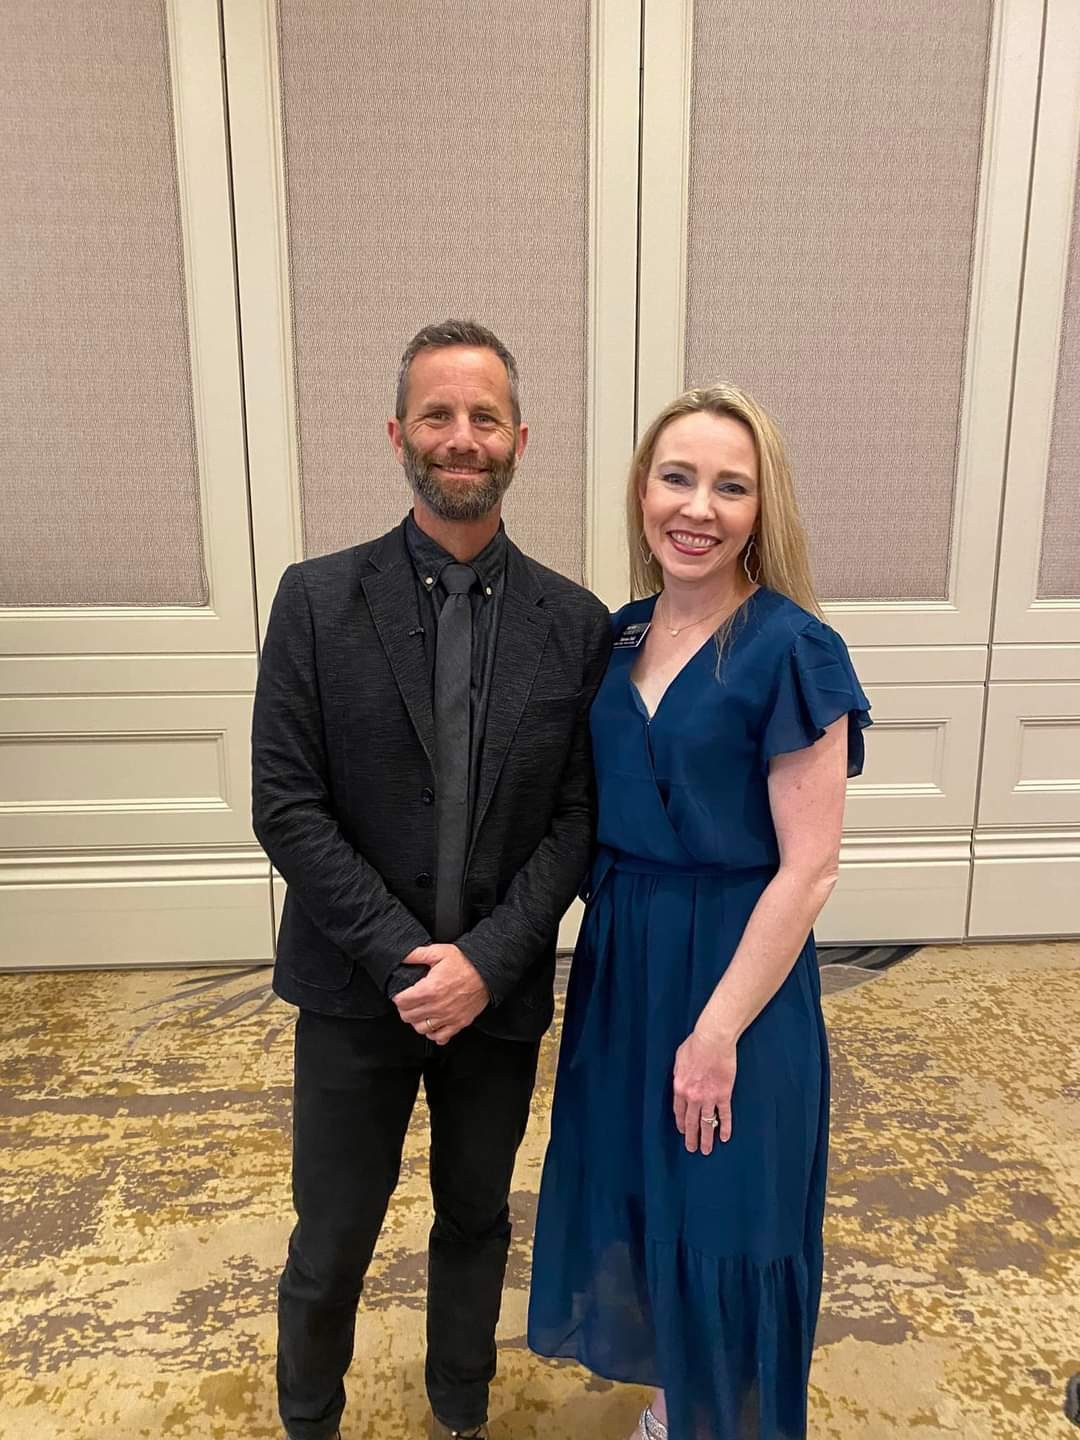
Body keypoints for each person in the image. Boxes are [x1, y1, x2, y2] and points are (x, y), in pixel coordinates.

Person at [252, 319, 611, 1440]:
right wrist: (410, 962)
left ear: (520, 440)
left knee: (476, 1223)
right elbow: (287, 804)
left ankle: (461, 1409)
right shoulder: (315, 600)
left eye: (485, 417)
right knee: (332, 1240)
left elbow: (578, 818)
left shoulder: (577, 624)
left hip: (496, 1000)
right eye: (439, 415)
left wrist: (485, 963)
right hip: (354, 994)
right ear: (398, 433)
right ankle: (309, 1418)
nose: (463, 437)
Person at [527, 383, 871, 1439]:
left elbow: (809, 870)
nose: (698, 508)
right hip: (624, 959)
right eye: (678, 478)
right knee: (644, 1189)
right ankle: (676, 1406)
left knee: (729, 1211)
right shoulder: (620, 636)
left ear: (762, 510)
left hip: (734, 968)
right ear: (643, 490)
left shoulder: (794, 648)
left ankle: (726, 1423)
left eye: (731, 486)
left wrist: (717, 1030)